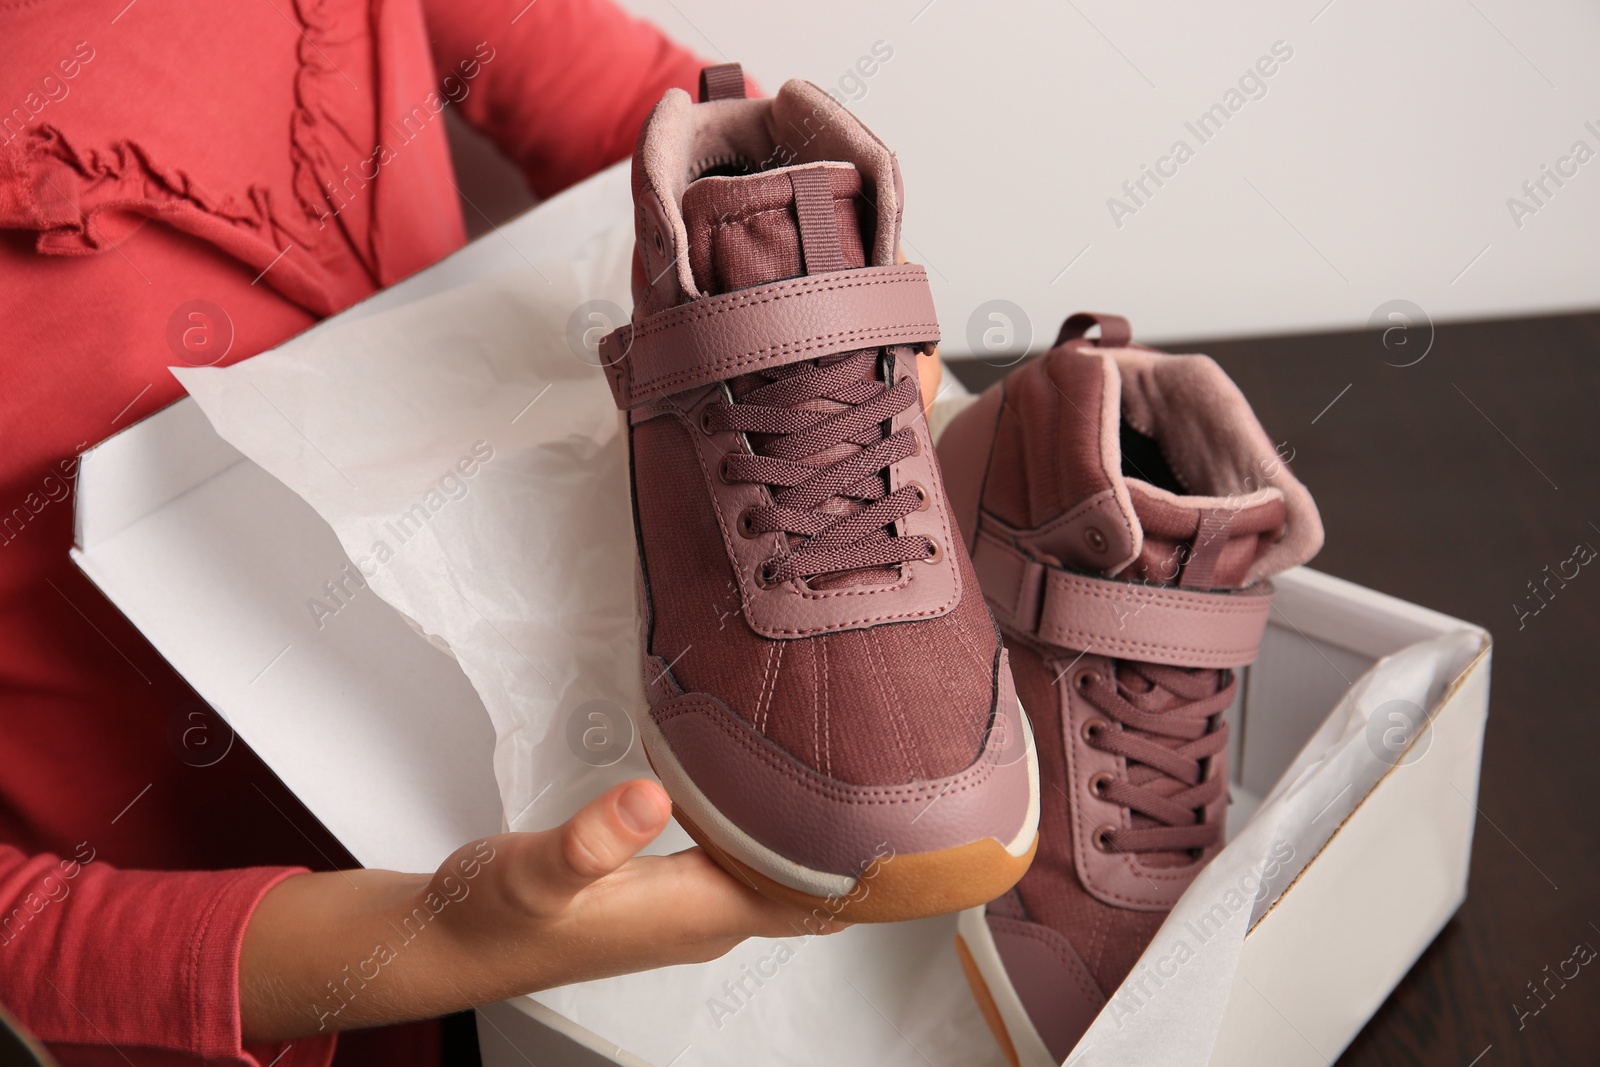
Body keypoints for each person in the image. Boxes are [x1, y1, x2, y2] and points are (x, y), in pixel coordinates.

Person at [0, 3, 833, 1064]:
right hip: (264, 957)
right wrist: (433, 939)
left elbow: (686, 131)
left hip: (611, 666)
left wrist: (817, 302)